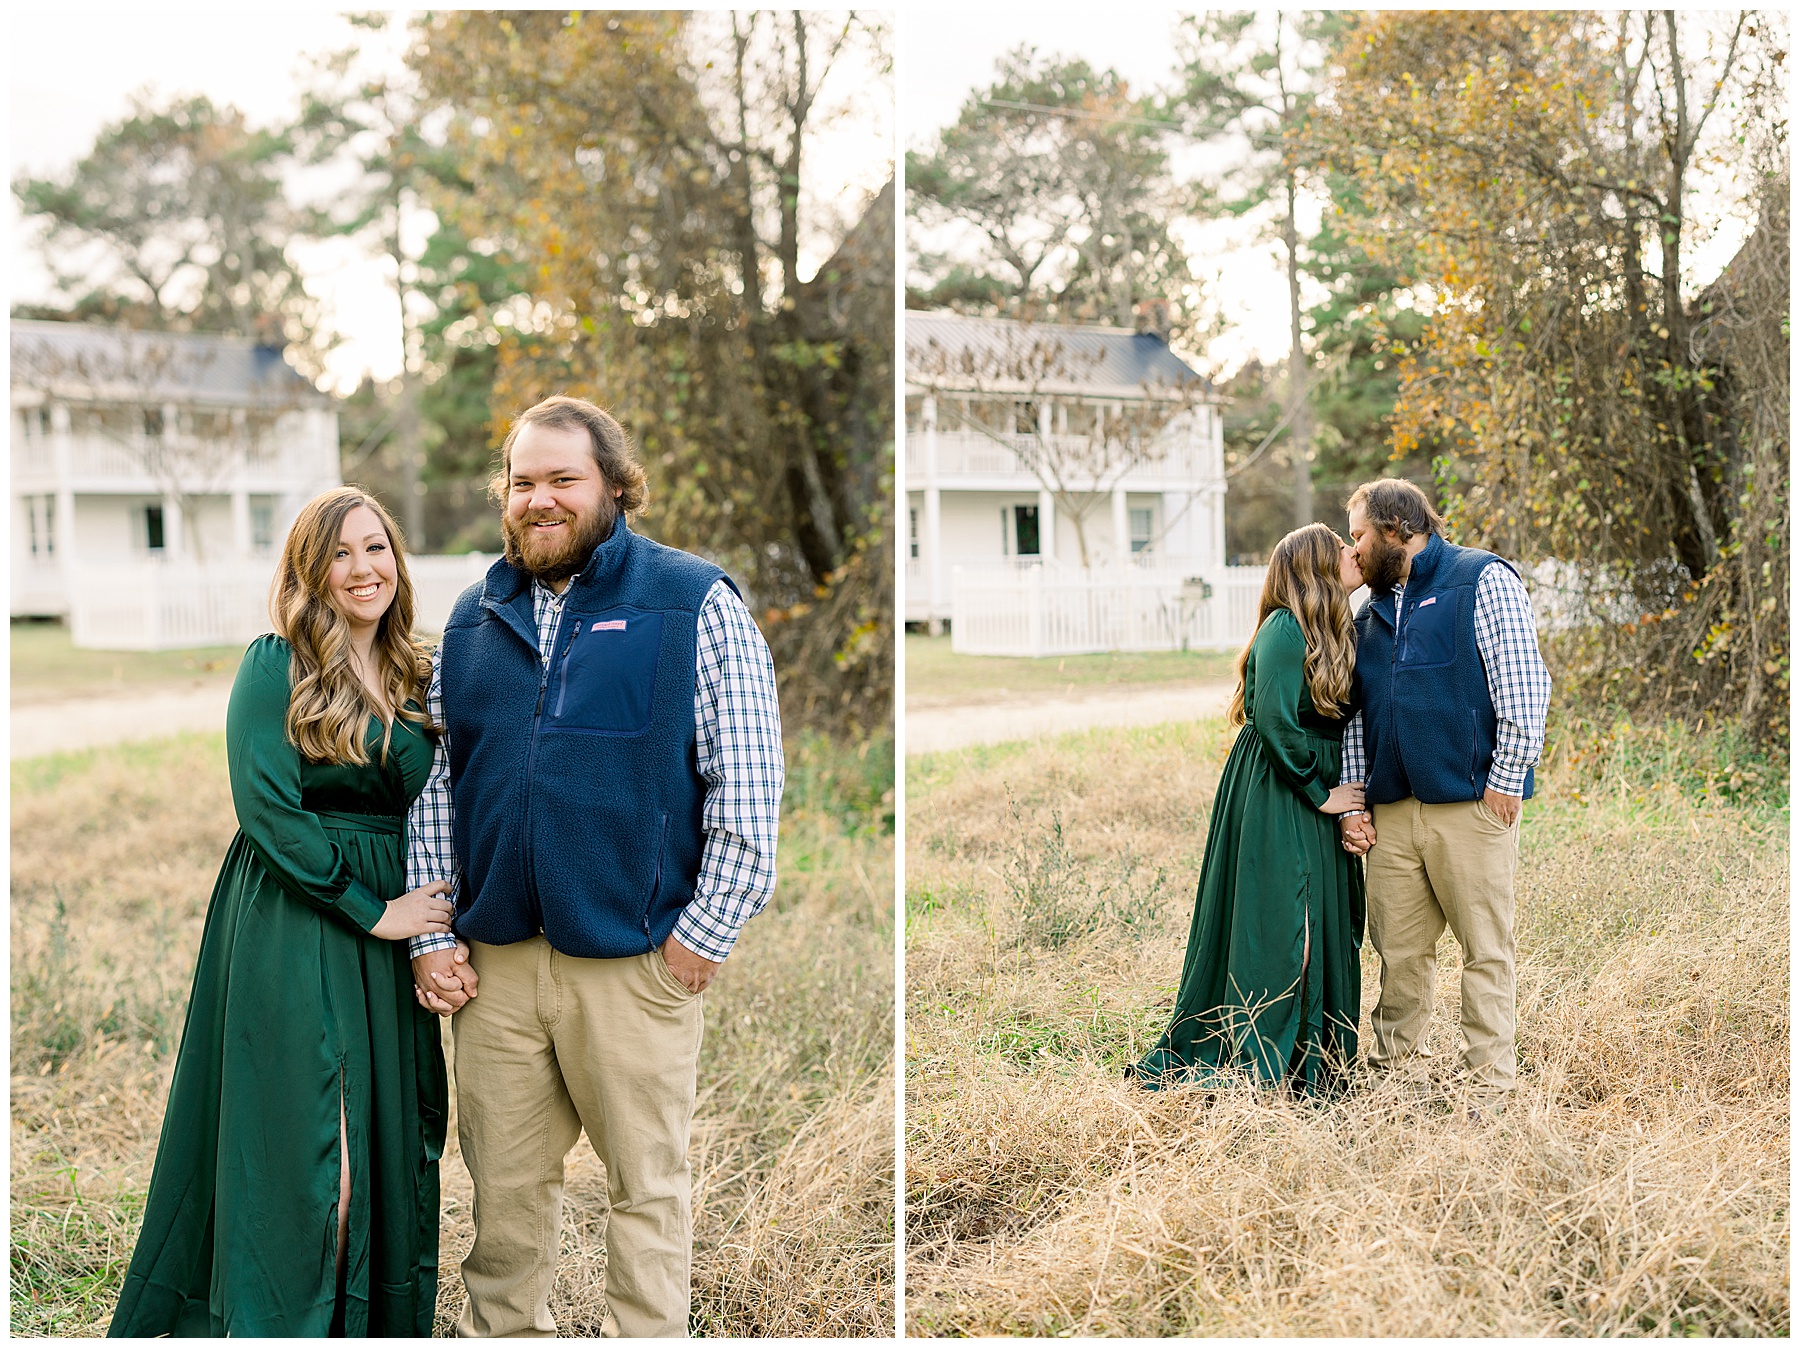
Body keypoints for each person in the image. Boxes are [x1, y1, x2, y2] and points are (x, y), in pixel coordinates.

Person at [403, 394, 785, 1338]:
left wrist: (702, 937)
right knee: (504, 1196)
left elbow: (747, 783)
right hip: (496, 970)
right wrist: (434, 936)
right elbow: (439, 789)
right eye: (522, 482)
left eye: (563, 480)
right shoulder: (473, 618)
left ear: (614, 486)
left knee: (646, 1191)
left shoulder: (692, 602)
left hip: (633, 963)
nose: (540, 499)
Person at [108, 488, 457, 1337]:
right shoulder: (278, 664)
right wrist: (373, 911)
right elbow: (266, 808)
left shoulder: (420, 671)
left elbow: (446, 803)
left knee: (382, 1130)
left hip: (395, 923)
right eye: (339, 553)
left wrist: (432, 927)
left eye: (376, 547)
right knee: (311, 1144)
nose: (363, 569)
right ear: (310, 570)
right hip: (298, 912)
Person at [1335, 478, 1551, 1117]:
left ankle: (1490, 1089)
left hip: (1471, 805)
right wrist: (1357, 803)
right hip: (1392, 812)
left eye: (1359, 535)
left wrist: (1507, 778)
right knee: (1399, 952)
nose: (1353, 549)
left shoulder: (1481, 579)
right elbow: (1356, 718)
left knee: (1485, 950)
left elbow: (1523, 682)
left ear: (1395, 528)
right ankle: (1396, 1081)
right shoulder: (1368, 611)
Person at [1130, 523, 1368, 1097]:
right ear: (1315, 567)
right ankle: (1264, 1058)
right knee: (1287, 919)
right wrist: (1322, 793)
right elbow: (1275, 720)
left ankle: (1312, 1057)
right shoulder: (1285, 628)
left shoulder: (1340, 628)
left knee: (1324, 916)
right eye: (1341, 547)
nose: (1353, 551)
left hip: (1313, 782)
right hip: (1280, 787)